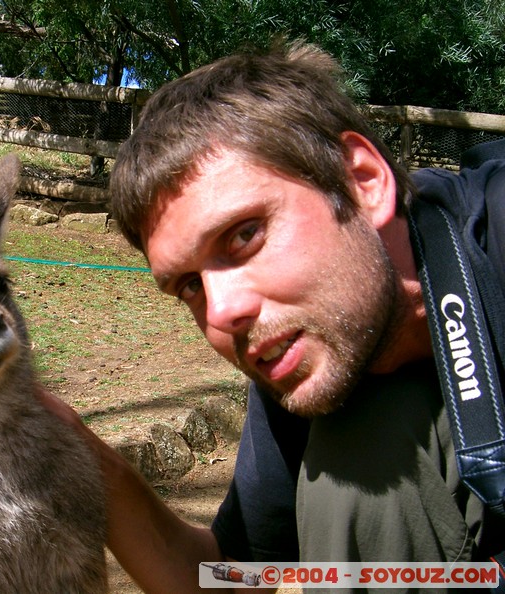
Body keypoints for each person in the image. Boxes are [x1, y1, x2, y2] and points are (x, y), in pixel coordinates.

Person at [40, 39, 505, 592]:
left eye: (244, 234)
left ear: (362, 181)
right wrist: (78, 450)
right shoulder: (301, 348)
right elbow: (229, 578)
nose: (223, 311)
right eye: (190, 285)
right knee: (360, 463)